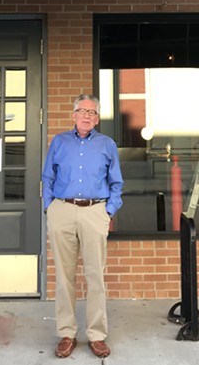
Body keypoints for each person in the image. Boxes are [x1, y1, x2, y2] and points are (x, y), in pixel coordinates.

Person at [42, 93, 123, 358]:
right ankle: (67, 334)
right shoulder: (59, 142)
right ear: (73, 115)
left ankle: (97, 336)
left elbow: (116, 183)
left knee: (95, 276)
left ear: (97, 118)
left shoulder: (107, 144)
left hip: (94, 211)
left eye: (92, 112)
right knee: (64, 278)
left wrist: (108, 211)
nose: (87, 116)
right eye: (82, 111)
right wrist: (50, 208)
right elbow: (47, 176)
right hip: (62, 210)